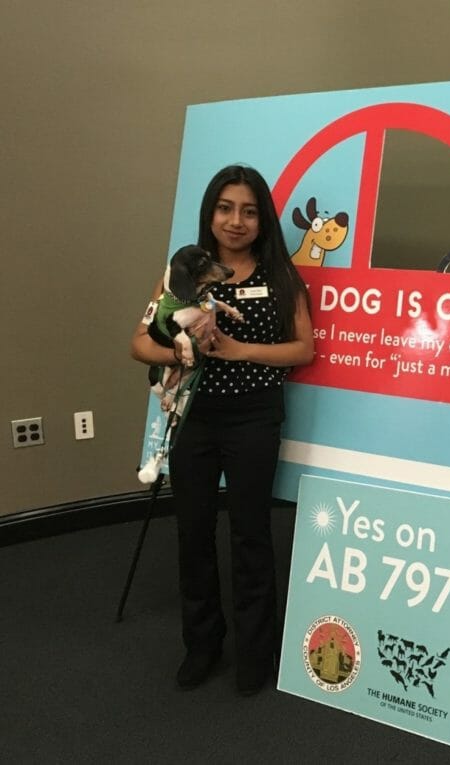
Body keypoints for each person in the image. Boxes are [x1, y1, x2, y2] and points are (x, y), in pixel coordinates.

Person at [131, 164, 314, 695]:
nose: (236, 221)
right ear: (210, 214)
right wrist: (178, 353)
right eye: (226, 208)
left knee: (251, 534)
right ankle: (203, 645)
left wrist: (238, 350)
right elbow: (138, 342)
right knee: (192, 532)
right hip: (192, 419)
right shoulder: (181, 271)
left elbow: (303, 350)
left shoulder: (281, 275)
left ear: (263, 219)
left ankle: (257, 653)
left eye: (249, 211)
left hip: (255, 417)